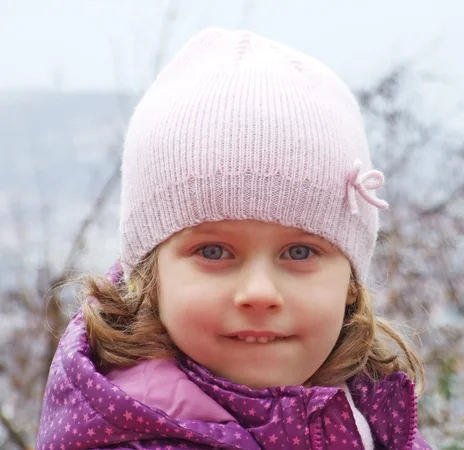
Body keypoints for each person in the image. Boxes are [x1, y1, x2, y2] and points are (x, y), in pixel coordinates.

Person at [37, 28, 431, 450]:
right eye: (213, 251)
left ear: (351, 282)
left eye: (300, 252)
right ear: (150, 276)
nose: (259, 293)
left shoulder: (365, 415)